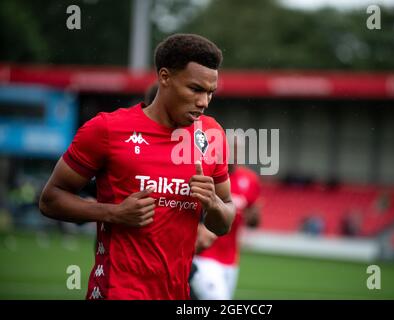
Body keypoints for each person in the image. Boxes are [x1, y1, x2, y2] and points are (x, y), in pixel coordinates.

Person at [39, 33, 235, 300]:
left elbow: (225, 221)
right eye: (195, 89)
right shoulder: (107, 129)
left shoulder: (212, 135)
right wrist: (113, 213)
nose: (204, 102)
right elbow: (50, 200)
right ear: (165, 77)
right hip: (116, 292)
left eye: (210, 92)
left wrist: (212, 203)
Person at [189, 135, 261, 300]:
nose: (235, 153)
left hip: (231, 259)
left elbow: (254, 221)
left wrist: (254, 217)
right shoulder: (208, 175)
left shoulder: (250, 180)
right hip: (205, 255)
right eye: (231, 148)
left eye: (239, 149)